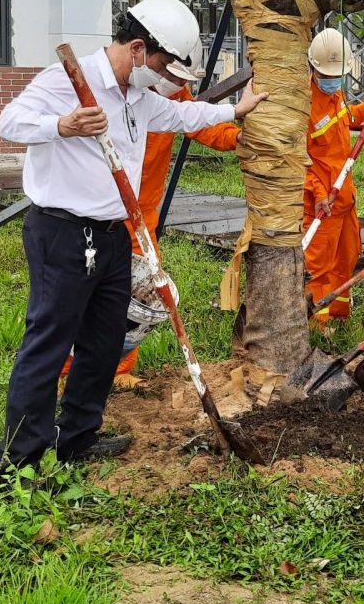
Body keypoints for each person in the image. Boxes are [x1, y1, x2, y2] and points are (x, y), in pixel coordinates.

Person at [0, 0, 267, 478]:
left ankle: (77, 436)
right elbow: (7, 123)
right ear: (138, 49)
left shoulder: (139, 96)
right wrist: (62, 125)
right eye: (165, 67)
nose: (168, 81)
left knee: (103, 342)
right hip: (63, 232)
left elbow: (184, 117)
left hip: (116, 234)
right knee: (50, 341)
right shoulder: (66, 82)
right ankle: (19, 463)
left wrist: (235, 111)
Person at [60, 60, 241, 391]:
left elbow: (203, 126)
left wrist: (239, 138)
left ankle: (118, 368)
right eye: (171, 76)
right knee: (86, 293)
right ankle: (66, 371)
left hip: (141, 217)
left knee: (141, 295)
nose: (176, 84)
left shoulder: (177, 98)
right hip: (101, 213)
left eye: (181, 80)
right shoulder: (121, 95)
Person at [304, 28, 364, 327]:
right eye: (326, 74)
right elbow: (299, 160)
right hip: (321, 202)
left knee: (346, 259)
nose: (333, 80)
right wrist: (319, 193)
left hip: (345, 197)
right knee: (317, 266)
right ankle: (317, 326)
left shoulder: (337, 95)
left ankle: (339, 315)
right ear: (312, 68)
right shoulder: (302, 105)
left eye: (337, 75)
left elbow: (346, 119)